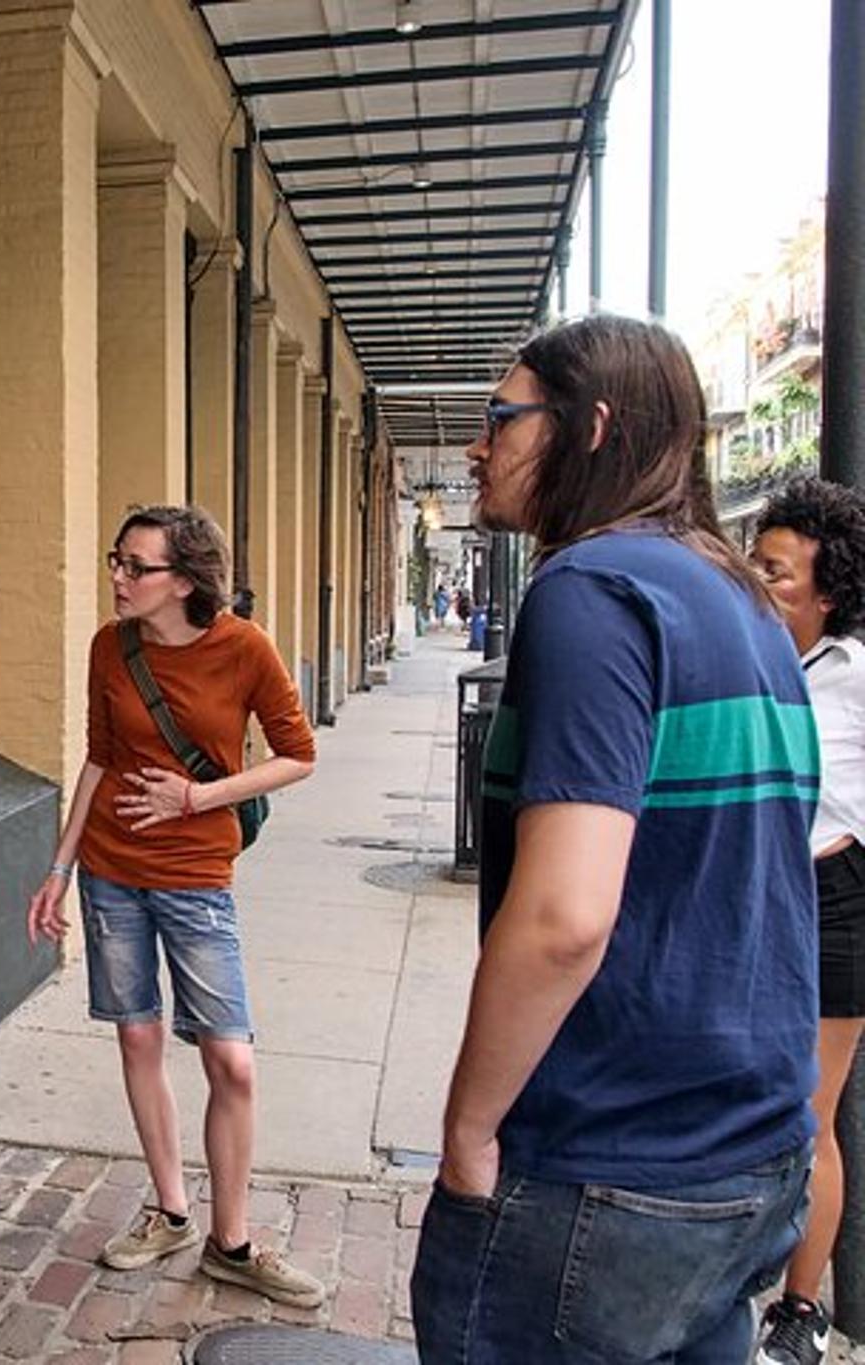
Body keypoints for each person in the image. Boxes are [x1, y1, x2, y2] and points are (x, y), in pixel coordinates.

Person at [411, 316, 818, 1364]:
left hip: (606, 1155)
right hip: (749, 1150)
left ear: (586, 428)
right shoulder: (735, 599)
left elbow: (562, 917)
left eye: (501, 418)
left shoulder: (590, 593)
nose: (476, 445)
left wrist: (465, 1134)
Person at [27, 504, 323, 1307]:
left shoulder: (243, 649)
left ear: (184, 580)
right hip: (111, 871)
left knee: (230, 1057)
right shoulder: (109, 647)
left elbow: (298, 755)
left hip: (196, 873)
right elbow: (100, 759)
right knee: (137, 1035)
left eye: (135, 566)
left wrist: (200, 795)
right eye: (115, 560)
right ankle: (171, 1209)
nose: (118, 577)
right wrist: (58, 865)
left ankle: (233, 1240)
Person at [751, 478, 865, 1365]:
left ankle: (802, 1307)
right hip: (759, 893)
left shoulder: (854, 673)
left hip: (836, 901)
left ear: (828, 592)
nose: (759, 580)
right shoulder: (759, 656)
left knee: (807, 1112)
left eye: (777, 571)